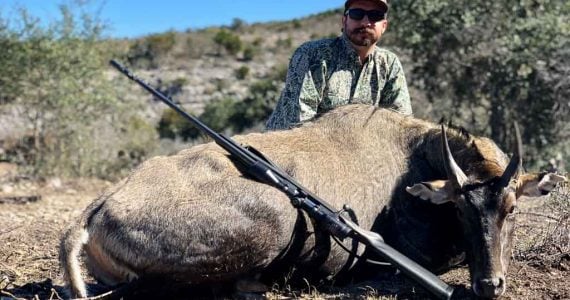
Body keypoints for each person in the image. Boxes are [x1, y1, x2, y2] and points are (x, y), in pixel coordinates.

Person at [266, 0, 412, 130]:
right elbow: (299, 124)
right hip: (283, 155)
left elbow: (401, 125)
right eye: (357, 13)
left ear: (384, 26)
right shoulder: (312, 55)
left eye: (375, 16)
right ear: (344, 20)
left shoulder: (390, 64)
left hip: (357, 156)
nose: (365, 22)